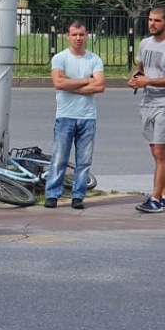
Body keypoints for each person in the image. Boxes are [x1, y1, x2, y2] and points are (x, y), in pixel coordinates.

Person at [128, 6, 165, 213]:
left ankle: (155, 199)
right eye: (150, 20)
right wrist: (135, 78)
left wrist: (148, 81)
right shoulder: (144, 43)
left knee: (161, 152)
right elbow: (141, 67)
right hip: (147, 102)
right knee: (156, 153)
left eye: (157, 21)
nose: (152, 24)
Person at [44, 20, 106, 209]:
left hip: (88, 117)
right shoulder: (60, 58)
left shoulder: (94, 59)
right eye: (74, 34)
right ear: (67, 36)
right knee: (59, 158)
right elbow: (59, 84)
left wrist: (73, 85)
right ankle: (52, 194)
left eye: (81, 34)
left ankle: (78, 196)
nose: (78, 38)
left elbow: (100, 85)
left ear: (86, 35)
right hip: (65, 115)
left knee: (84, 160)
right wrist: (87, 81)